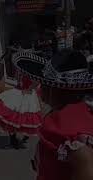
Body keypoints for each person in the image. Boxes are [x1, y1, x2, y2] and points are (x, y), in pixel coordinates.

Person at [13, 50, 93, 180]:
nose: (40, 88)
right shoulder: (66, 116)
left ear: (56, 90)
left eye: (44, 84)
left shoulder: (71, 132)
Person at [0, 69, 42, 149]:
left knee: (23, 119)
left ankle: (21, 139)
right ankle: (14, 141)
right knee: (11, 117)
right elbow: (18, 82)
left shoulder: (32, 72)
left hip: (28, 95)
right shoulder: (20, 70)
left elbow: (37, 82)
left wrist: (29, 89)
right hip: (18, 92)